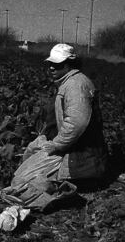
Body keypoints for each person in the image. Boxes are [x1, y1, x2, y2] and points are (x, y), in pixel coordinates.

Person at [39, 43, 107, 180]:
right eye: (51, 64)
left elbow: (76, 122)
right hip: (78, 152)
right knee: (34, 151)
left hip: (81, 160)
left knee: (32, 178)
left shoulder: (75, 85)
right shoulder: (71, 81)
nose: (52, 68)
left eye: (57, 64)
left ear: (69, 65)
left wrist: (56, 144)